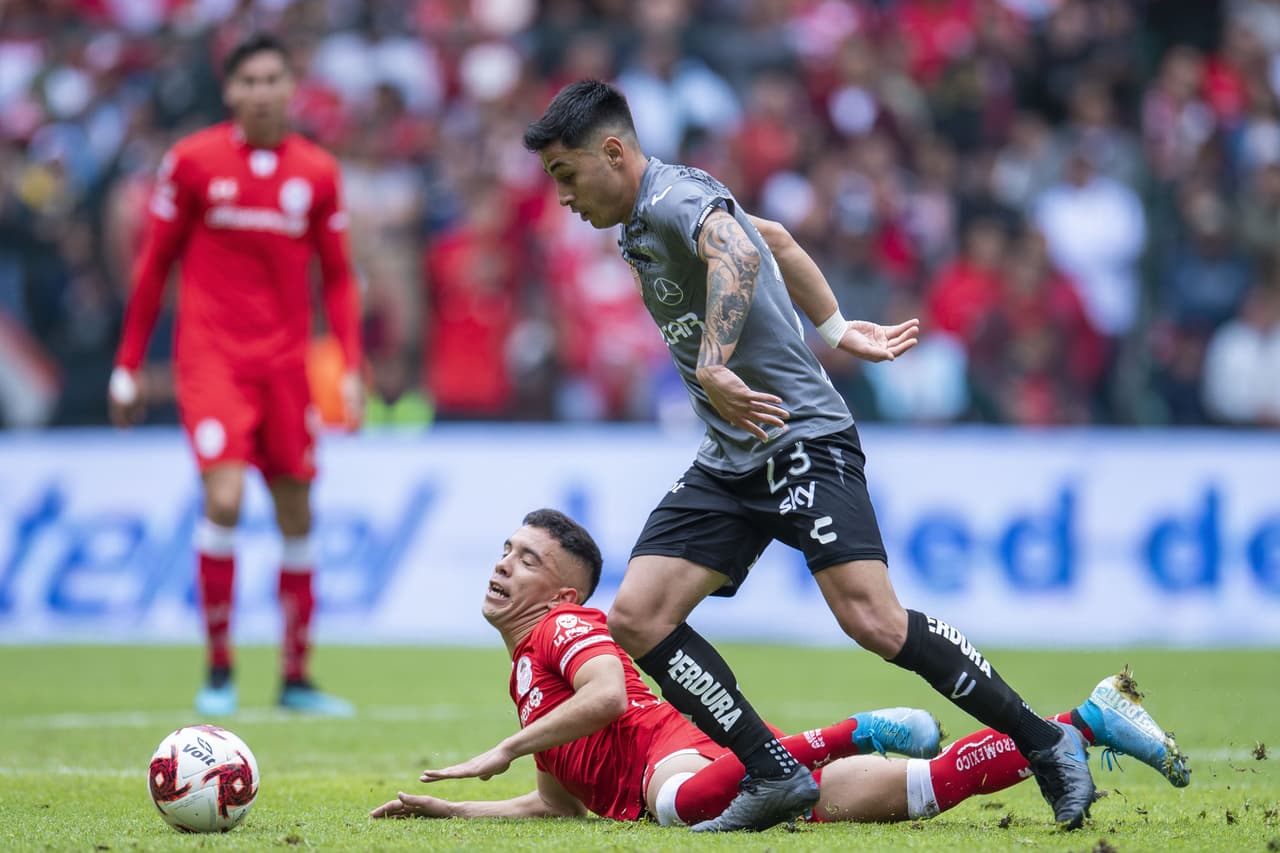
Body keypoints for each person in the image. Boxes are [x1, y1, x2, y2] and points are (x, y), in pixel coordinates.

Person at [522, 80, 1095, 831]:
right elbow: (777, 242)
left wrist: (718, 360)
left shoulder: (670, 199)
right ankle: (772, 770)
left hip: (801, 438)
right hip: (733, 455)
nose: (562, 197)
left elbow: (735, 251)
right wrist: (835, 326)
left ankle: (1046, 741)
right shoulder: (641, 219)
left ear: (614, 152)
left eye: (566, 176)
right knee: (637, 614)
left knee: (874, 620)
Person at [370, 510, 1189, 827]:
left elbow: (612, 692)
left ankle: (855, 729)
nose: (502, 564)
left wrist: (501, 749)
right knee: (918, 793)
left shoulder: (566, 625)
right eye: (503, 548)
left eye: (525, 556)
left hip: (686, 763)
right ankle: (1086, 719)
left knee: (679, 806)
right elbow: (560, 805)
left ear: (563, 589)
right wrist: (452, 812)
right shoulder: (527, 670)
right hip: (721, 775)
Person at [108, 33, 362, 718]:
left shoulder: (316, 172)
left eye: (272, 77)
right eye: (248, 79)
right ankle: (219, 667)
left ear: (290, 86)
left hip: (285, 367)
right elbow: (154, 265)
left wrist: (352, 364)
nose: (261, 90)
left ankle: (295, 678)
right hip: (212, 361)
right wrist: (127, 363)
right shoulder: (192, 163)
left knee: (297, 514)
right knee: (223, 500)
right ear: (230, 90)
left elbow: (337, 278)